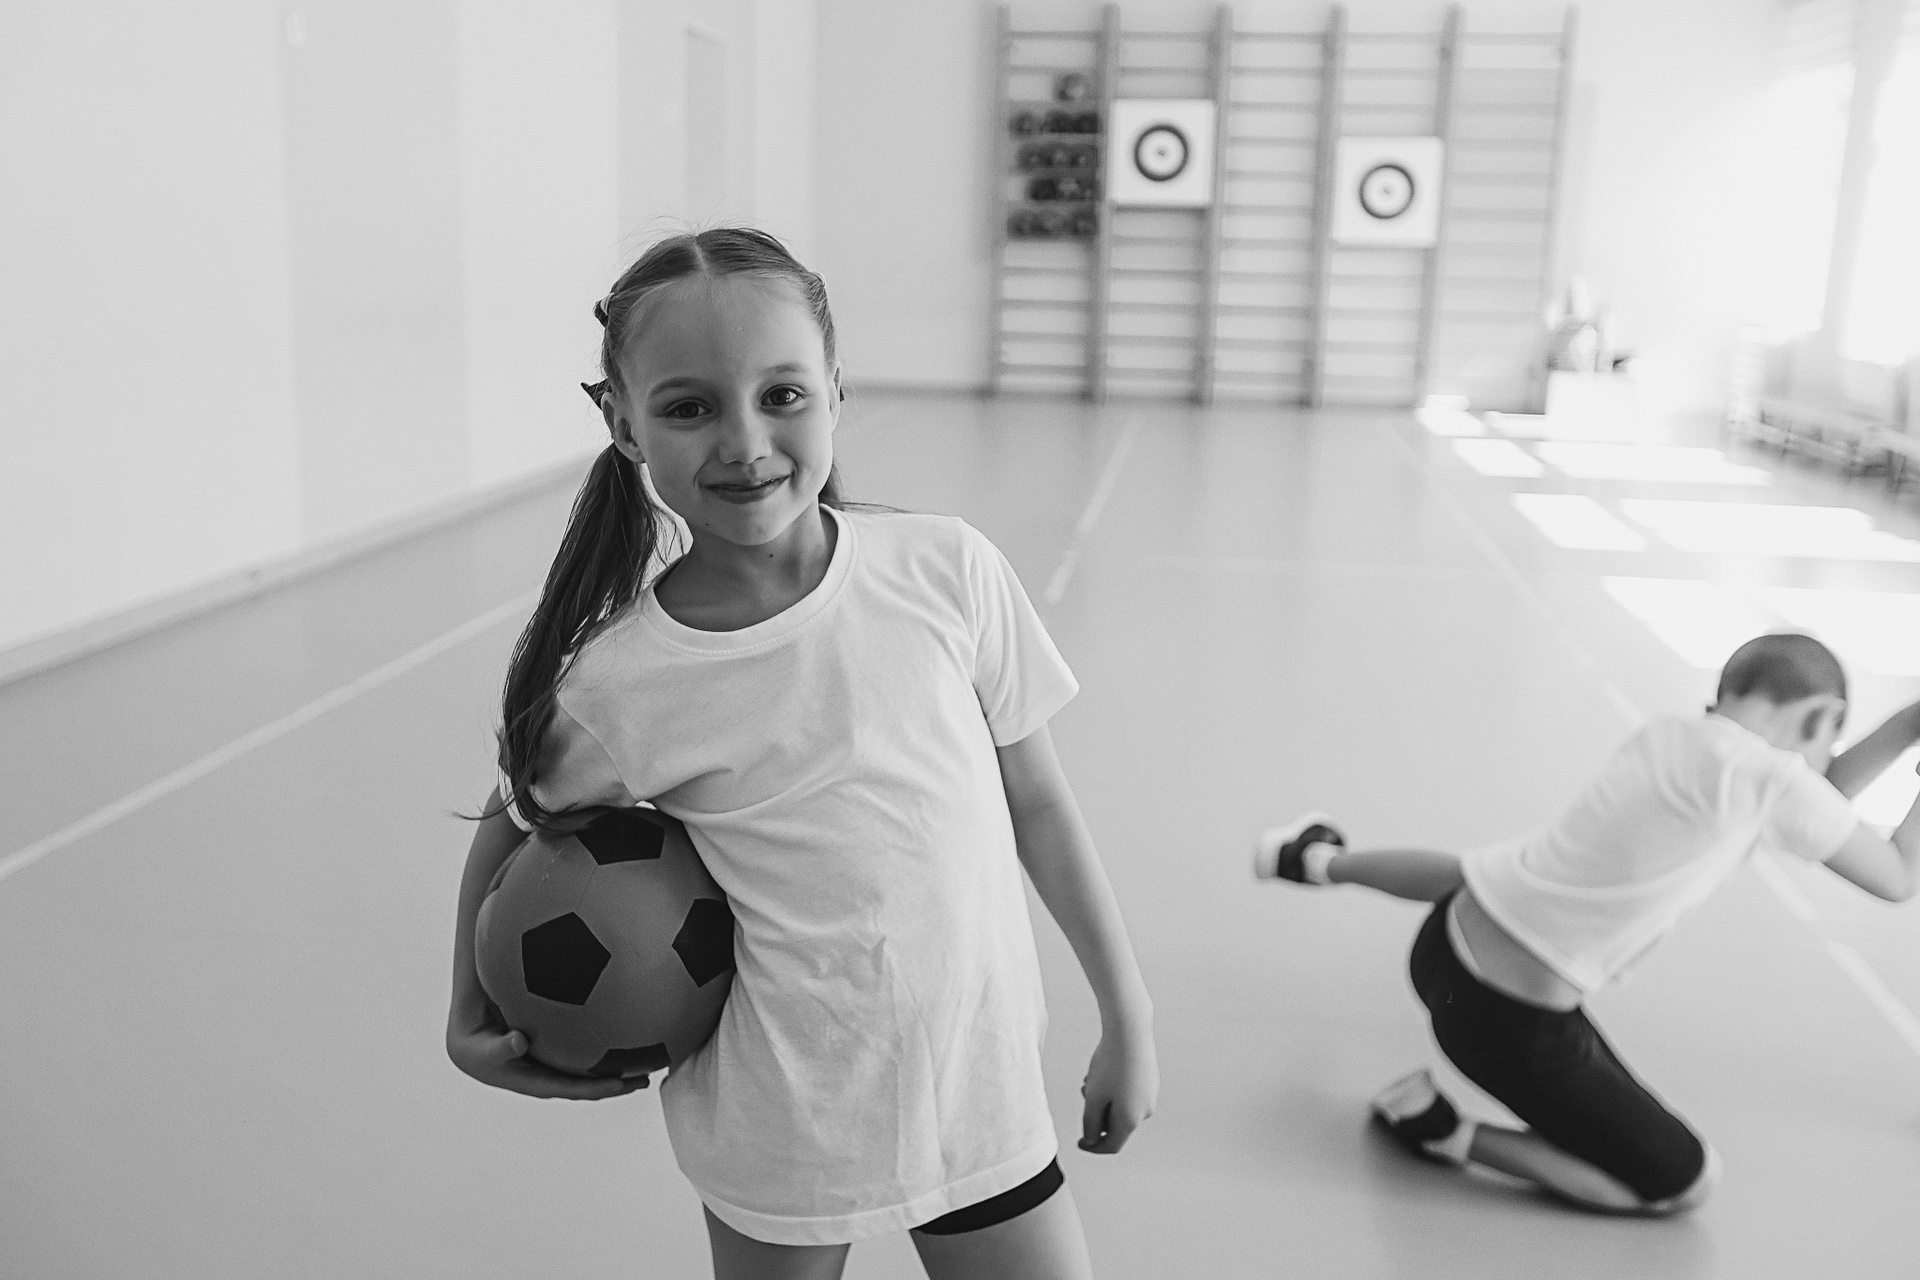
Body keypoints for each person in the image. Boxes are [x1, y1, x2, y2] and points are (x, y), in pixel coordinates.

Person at [444, 228, 1157, 1280]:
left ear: (834, 388)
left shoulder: (947, 570)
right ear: (623, 423)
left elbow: (1039, 805)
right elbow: (511, 823)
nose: (745, 442)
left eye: (781, 394)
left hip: (977, 1091)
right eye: (689, 407)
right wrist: (466, 1012)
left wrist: (1126, 1011)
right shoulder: (623, 679)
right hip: (782, 1119)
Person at [1255, 632, 1920, 1216]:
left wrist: (1911, 721)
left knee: (1482, 868)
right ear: (1823, 717)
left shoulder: (1671, 735)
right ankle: (1443, 1130)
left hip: (1440, 948)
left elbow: (1819, 796)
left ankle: (1314, 861)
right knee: (1682, 1184)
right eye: (1831, 739)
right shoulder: (1771, 783)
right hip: (1501, 1026)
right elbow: (1897, 877)